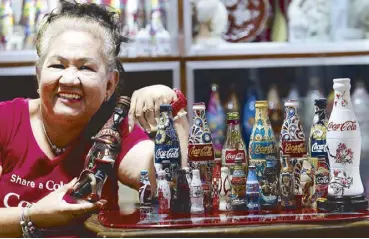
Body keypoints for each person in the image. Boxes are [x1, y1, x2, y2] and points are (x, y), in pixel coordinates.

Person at [0, 1, 189, 237]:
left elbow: (171, 183)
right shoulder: (6, 120)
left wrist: (173, 111)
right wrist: (33, 215)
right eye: (57, 65)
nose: (69, 79)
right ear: (39, 75)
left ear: (110, 84)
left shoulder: (114, 127)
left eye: (86, 68)